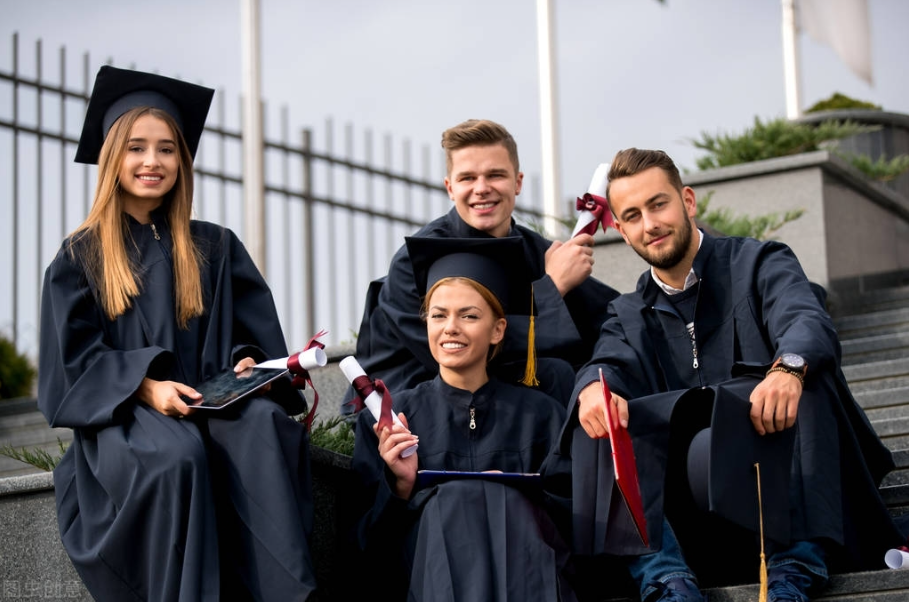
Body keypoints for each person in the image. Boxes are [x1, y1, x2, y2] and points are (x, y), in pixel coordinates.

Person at [545, 148, 906, 602]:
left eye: (659, 204)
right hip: (695, 513)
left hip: (782, 489)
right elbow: (608, 363)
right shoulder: (627, 312)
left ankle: (794, 570)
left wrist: (787, 369)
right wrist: (593, 394)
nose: (649, 224)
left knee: (806, 378)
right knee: (596, 417)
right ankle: (668, 582)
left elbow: (805, 319)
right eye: (632, 215)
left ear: (688, 201)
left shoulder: (758, 263)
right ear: (619, 227)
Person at [37, 66, 317, 601]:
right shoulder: (80, 258)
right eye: (136, 148)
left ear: (182, 161)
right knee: (176, 457)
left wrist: (247, 365)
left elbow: (254, 335)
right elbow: (72, 367)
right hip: (128, 418)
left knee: (261, 429)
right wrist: (147, 387)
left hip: (216, 404)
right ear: (111, 157)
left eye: (166, 149)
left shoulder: (215, 245)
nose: (152, 161)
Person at [350, 235, 577, 601]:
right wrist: (400, 489)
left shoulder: (541, 416)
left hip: (523, 575)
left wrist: (506, 498)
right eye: (438, 315)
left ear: (498, 330)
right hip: (431, 582)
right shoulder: (392, 423)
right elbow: (364, 548)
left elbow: (572, 528)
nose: (450, 327)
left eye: (469, 315)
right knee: (453, 501)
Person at [351, 119, 619, 406]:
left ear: (517, 183)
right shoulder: (415, 262)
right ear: (450, 187)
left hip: (503, 397)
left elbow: (612, 319)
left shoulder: (539, 253)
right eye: (467, 178)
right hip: (413, 401)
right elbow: (456, 353)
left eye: (495, 175)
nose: (482, 188)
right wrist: (551, 287)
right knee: (553, 375)